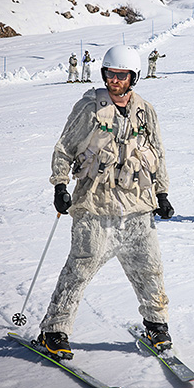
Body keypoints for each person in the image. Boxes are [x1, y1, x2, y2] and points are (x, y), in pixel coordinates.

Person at [38, 45, 175, 360]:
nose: (115, 80)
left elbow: (157, 153)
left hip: (138, 206)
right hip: (95, 205)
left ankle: (156, 325)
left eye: (121, 75)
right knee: (80, 268)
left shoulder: (145, 110)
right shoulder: (90, 108)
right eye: (110, 74)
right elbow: (64, 148)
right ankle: (54, 330)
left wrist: (163, 193)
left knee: (150, 269)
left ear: (133, 77)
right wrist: (60, 185)